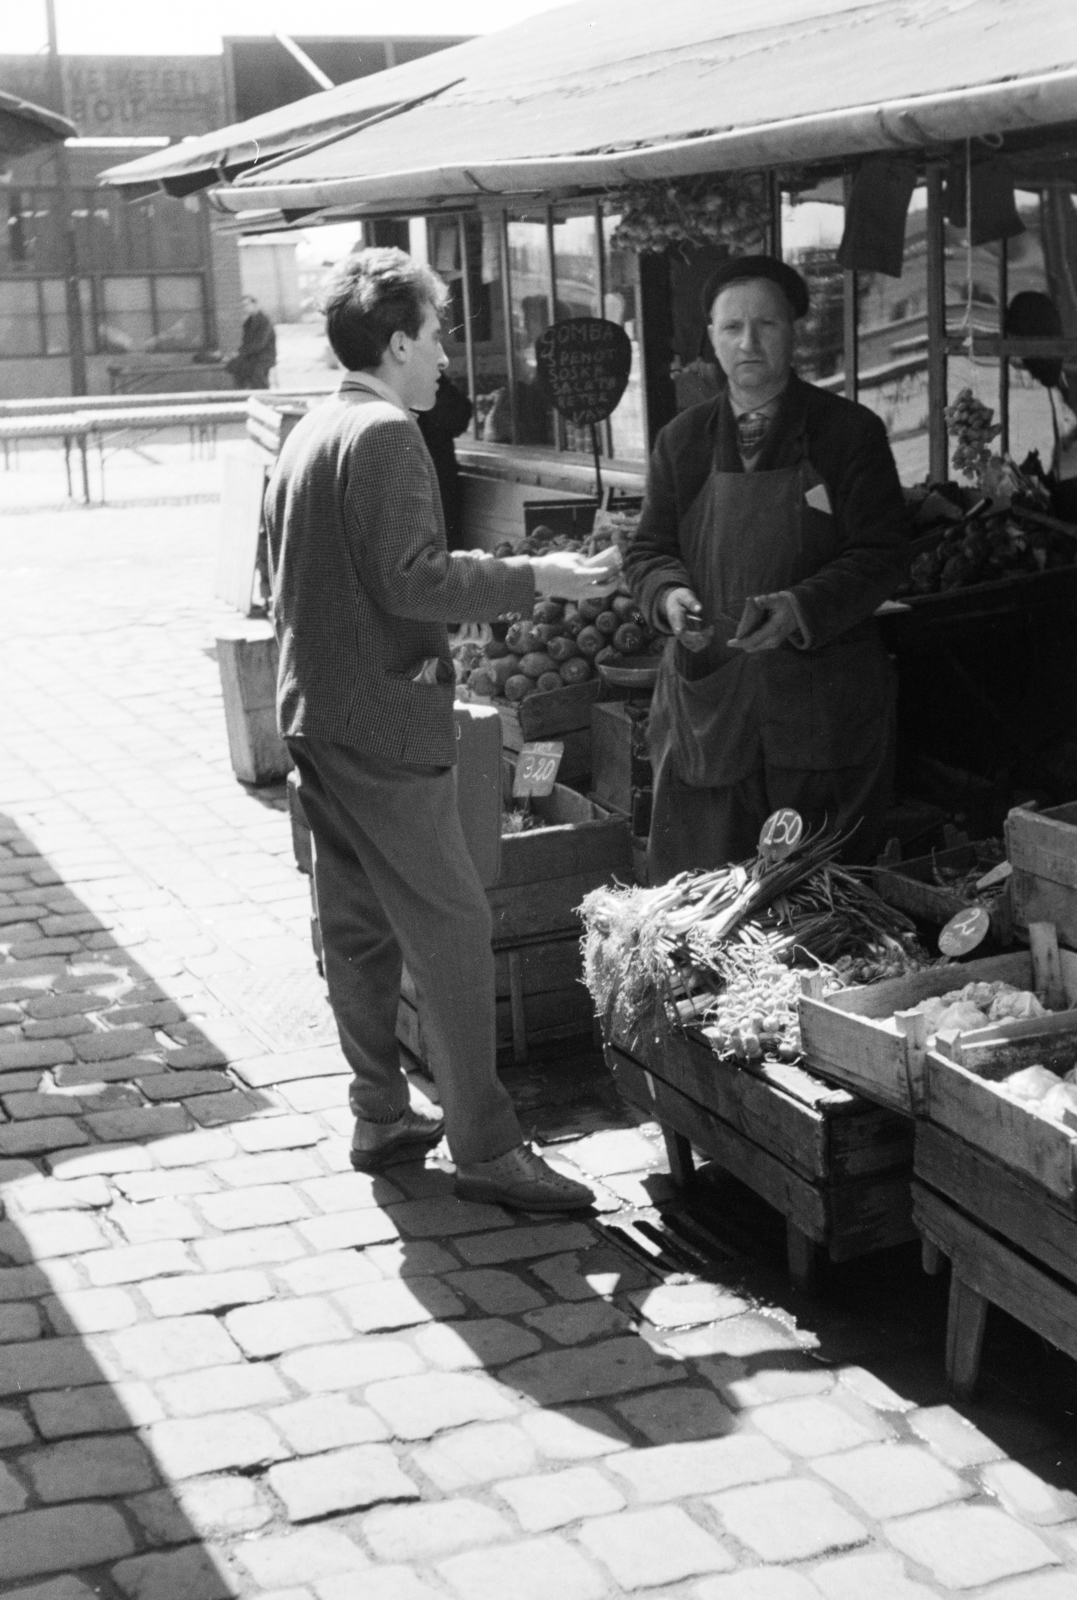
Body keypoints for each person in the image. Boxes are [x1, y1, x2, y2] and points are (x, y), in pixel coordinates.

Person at [264, 247, 619, 1210]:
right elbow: (411, 579)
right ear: (394, 340)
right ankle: (487, 1148)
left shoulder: (309, 429)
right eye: (436, 333)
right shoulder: (382, 433)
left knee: (358, 929)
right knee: (456, 926)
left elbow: (287, 584)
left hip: (316, 711)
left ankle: (379, 1110)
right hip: (379, 720)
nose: (445, 357)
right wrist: (533, 577)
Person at [623, 256, 909, 883]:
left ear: (793, 332)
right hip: (710, 696)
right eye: (732, 329)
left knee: (820, 897)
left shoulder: (848, 434)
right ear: (712, 339)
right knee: (703, 894)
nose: (748, 343)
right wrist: (668, 597)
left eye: (766, 325)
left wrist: (801, 607)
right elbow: (647, 550)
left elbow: (884, 553)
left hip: (819, 701)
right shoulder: (682, 440)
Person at [416, 373, 473, 551]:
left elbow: (458, 414)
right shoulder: (424, 381)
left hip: (437, 479)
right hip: (436, 480)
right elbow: (459, 414)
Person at [228, 294, 277, 389]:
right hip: (252, 355)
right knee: (234, 365)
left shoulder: (264, 321)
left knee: (255, 371)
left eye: (247, 305)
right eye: (243, 306)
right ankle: (243, 393)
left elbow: (260, 344)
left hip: (265, 356)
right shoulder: (248, 322)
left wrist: (241, 353)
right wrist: (238, 353)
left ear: (255, 304)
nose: (245, 308)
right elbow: (246, 342)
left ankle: (263, 394)